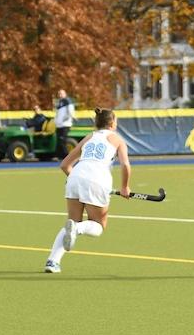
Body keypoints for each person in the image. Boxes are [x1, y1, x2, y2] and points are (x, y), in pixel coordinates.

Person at [44, 109, 131, 273]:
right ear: (112, 123)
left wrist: (76, 179)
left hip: (75, 176)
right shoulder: (118, 140)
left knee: (72, 220)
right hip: (98, 180)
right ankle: (77, 229)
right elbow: (125, 165)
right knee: (98, 226)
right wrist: (125, 187)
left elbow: (65, 165)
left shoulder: (89, 137)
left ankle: (52, 261)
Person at [54, 89, 75, 158]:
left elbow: (70, 112)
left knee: (63, 140)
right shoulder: (60, 102)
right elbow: (58, 114)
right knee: (59, 141)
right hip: (59, 125)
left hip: (65, 124)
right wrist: (56, 121)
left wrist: (65, 119)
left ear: (65, 94)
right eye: (59, 94)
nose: (60, 95)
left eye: (61, 94)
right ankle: (60, 156)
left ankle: (66, 156)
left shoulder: (67, 101)